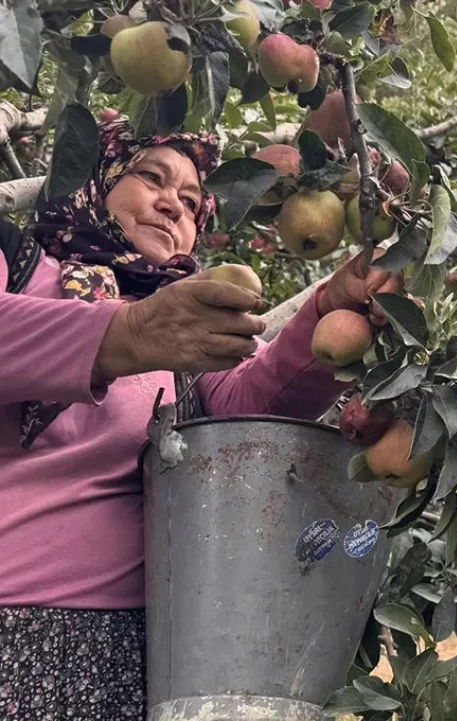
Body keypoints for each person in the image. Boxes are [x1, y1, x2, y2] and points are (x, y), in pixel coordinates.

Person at [0, 120, 398, 721]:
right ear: (95, 180)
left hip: (157, 648)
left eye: (190, 203)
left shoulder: (181, 332)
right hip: (18, 631)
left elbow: (249, 406)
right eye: (151, 178)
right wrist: (122, 335)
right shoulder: (23, 266)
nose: (171, 205)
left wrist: (328, 311)